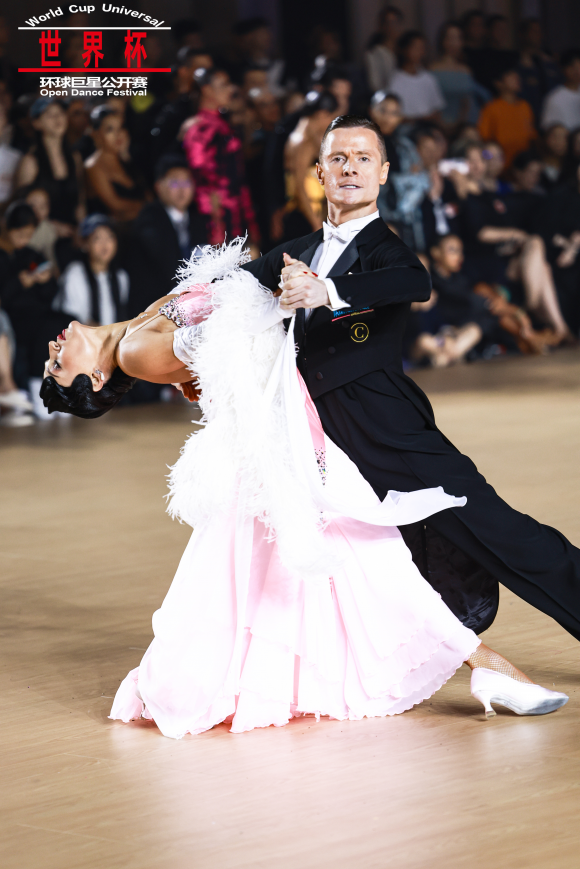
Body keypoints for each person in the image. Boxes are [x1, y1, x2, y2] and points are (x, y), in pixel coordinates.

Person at [39, 242, 567, 738]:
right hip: (279, 446)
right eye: (58, 366)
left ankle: (489, 667)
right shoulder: (135, 352)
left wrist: (269, 281)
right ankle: (490, 668)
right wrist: (286, 289)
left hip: (287, 430)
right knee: (364, 559)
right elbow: (237, 333)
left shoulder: (135, 329)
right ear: (97, 380)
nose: (53, 348)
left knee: (354, 565)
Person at [241, 113, 580, 647]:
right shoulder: (298, 251)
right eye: (338, 158)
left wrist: (327, 292)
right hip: (318, 435)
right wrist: (131, 331)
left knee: (492, 528)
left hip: (386, 426)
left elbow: (413, 281)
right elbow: (227, 286)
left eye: (363, 158)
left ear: (382, 173)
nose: (350, 168)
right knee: (361, 548)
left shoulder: (385, 248)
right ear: (319, 172)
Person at [182, 67, 259, 247]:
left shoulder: (222, 122)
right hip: (218, 215)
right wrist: (216, 223)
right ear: (207, 90)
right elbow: (202, 177)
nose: (230, 89)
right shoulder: (200, 127)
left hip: (236, 207)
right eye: (223, 85)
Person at [127, 155, 209, 312]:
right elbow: (167, 264)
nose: (182, 189)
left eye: (187, 182)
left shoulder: (198, 221)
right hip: (155, 308)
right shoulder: (149, 219)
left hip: (191, 306)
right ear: (158, 187)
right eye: (175, 182)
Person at [15, 97, 84, 232]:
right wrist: (54, 228)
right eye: (50, 115)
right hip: (41, 234)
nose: (57, 118)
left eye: (61, 113)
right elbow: (22, 211)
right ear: (37, 123)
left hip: (72, 232)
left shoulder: (75, 158)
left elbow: (80, 203)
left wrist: (81, 231)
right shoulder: (30, 162)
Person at [54, 215, 129, 327]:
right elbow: (70, 319)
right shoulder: (75, 274)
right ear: (85, 244)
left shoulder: (121, 277)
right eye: (97, 238)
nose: (105, 244)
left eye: (110, 237)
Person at [282, 90, 339, 237]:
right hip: (302, 217)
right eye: (331, 116)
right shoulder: (303, 143)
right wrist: (315, 224)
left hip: (310, 213)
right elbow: (299, 186)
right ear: (322, 114)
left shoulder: (309, 138)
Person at [84, 106, 147, 222]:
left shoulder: (128, 160)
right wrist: (147, 207)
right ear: (96, 134)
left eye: (121, 128)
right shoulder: (93, 166)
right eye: (110, 130)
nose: (118, 134)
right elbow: (115, 206)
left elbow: (148, 194)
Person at [477, 69, 536, 168]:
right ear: (499, 83)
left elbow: (531, 137)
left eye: (517, 76)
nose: (517, 79)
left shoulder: (525, 106)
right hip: (499, 168)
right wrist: (489, 164)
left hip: (523, 167)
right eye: (511, 76)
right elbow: (483, 141)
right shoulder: (491, 109)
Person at [430, 21, 476, 134]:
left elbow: (467, 102)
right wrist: (441, 124)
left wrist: (460, 122)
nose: (454, 43)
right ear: (442, 41)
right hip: (437, 126)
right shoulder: (432, 69)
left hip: (465, 125)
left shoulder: (466, 70)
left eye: (458, 38)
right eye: (450, 38)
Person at [389, 31, 445, 122]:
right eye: (415, 48)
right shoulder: (395, 79)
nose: (419, 52)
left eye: (422, 48)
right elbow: (392, 114)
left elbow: (437, 109)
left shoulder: (429, 78)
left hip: (428, 125)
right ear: (404, 50)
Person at [365, 4, 403, 93]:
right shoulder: (374, 53)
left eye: (397, 22)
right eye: (390, 23)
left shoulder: (405, 49)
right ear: (382, 26)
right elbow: (375, 85)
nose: (393, 27)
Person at [540, 49, 580, 132]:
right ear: (563, 69)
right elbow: (550, 131)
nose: (577, 71)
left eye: (578, 66)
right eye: (572, 66)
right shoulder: (555, 99)